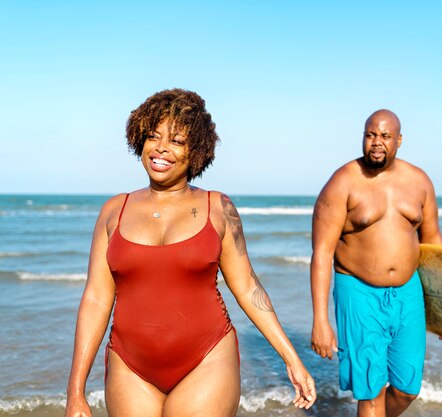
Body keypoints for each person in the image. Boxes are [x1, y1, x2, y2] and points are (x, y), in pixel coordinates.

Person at [65, 88, 316, 417]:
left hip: (207, 359)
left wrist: (291, 358)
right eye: (153, 136)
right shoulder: (114, 211)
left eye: (177, 141)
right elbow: (97, 298)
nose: (161, 149)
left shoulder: (218, 208)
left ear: (195, 152)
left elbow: (247, 286)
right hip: (130, 366)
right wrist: (75, 391)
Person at [310, 109, 442, 417]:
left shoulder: (419, 181)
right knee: (370, 394)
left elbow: (434, 242)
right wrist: (320, 321)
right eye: (370, 135)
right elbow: (321, 253)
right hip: (358, 292)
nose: (376, 143)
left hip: (409, 293)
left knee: (407, 390)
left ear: (399, 139)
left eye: (384, 136)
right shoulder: (342, 182)